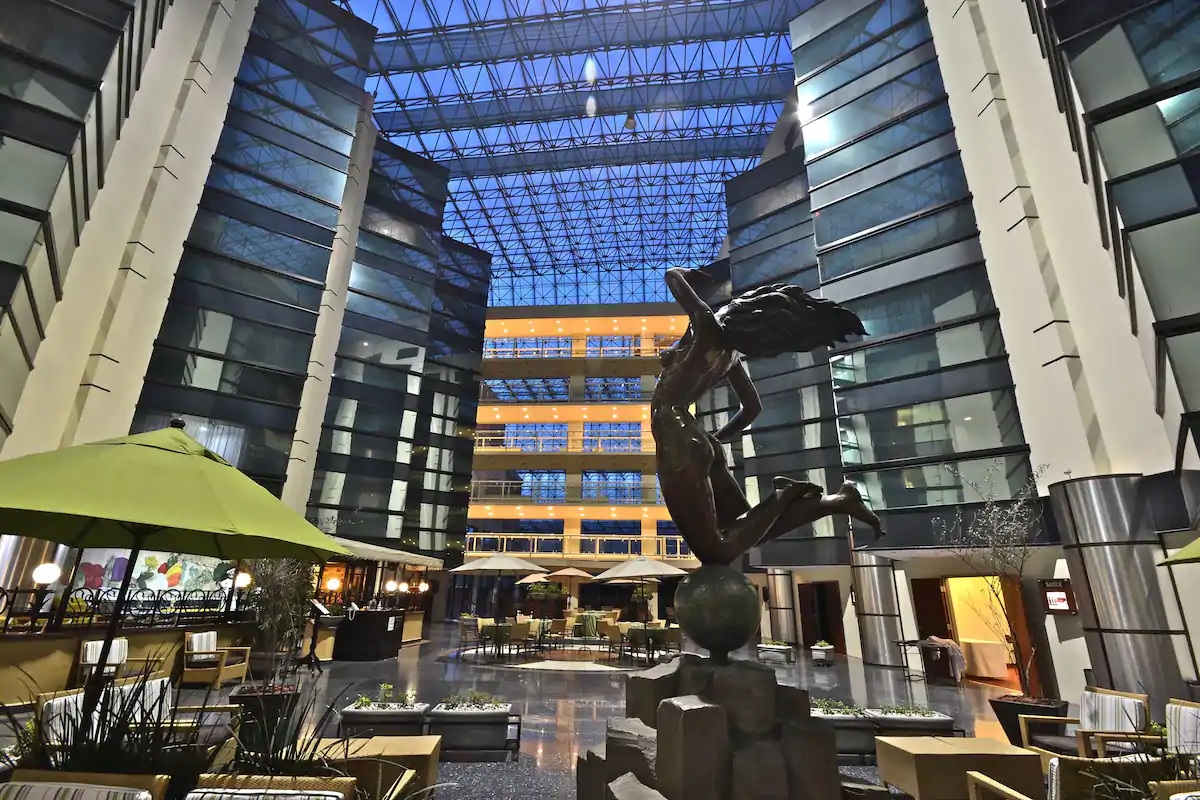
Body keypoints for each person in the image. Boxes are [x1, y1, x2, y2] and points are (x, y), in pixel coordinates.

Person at [653, 267, 882, 565]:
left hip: (675, 431)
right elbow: (752, 408)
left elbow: (671, 276)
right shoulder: (730, 356)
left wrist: (687, 274)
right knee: (747, 527)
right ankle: (836, 502)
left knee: (715, 550)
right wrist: (713, 441)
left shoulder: (707, 328)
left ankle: (786, 494)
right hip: (694, 435)